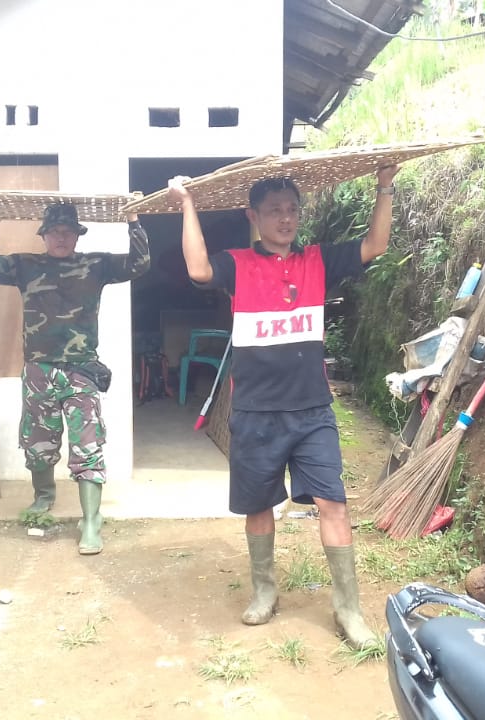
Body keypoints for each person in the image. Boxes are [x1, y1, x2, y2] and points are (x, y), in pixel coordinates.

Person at [169, 165, 399, 648]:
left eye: (292, 209)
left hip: (312, 410)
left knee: (333, 503)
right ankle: (264, 591)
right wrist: (188, 205)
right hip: (255, 411)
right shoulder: (237, 264)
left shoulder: (318, 259)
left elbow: (376, 245)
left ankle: (348, 610)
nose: (285, 218)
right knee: (259, 505)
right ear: (253, 216)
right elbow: (198, 269)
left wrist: (384, 186)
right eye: (274, 210)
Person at [0, 201, 150, 555]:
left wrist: (133, 220)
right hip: (39, 371)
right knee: (39, 443)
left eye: (68, 232)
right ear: (44, 235)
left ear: (78, 235)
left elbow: (140, 264)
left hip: (81, 370)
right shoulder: (25, 265)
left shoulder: (96, 264)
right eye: (55, 232)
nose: (61, 238)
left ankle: (91, 520)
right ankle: (44, 495)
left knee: (88, 445)